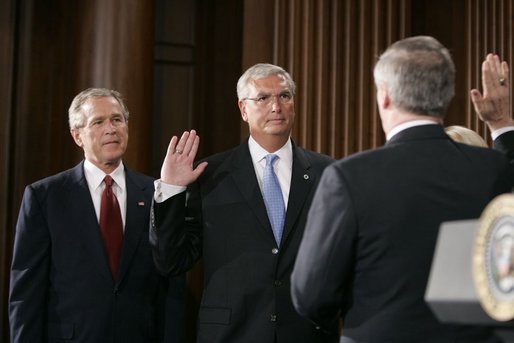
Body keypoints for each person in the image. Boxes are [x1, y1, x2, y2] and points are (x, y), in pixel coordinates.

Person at [290, 36, 514, 342]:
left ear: (384, 96)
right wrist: (501, 125)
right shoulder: (492, 169)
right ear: (447, 95)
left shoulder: (348, 177)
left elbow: (311, 295)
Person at [149, 63, 337, 342]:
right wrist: (172, 189)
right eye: (263, 98)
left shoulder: (328, 173)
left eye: (284, 96)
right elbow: (171, 261)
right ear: (243, 109)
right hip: (232, 332)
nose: (276, 107)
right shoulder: (210, 175)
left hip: (307, 331)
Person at [9, 88, 184, 342]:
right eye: (98, 122)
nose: (111, 129)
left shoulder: (155, 193)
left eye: (117, 119)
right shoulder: (45, 197)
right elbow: (26, 293)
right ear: (77, 135)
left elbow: (170, 285)